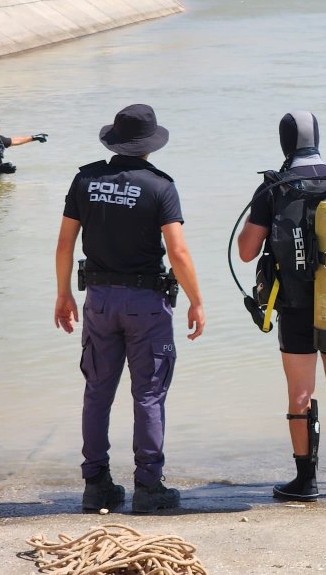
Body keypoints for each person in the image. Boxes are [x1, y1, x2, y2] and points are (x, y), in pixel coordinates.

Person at [54, 104, 205, 514]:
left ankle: (96, 484)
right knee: (149, 394)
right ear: (150, 145)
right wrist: (196, 300)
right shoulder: (160, 187)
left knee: (97, 391)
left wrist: (63, 294)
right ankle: (148, 486)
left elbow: (65, 243)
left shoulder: (85, 179)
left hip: (99, 300)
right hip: (146, 304)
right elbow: (178, 251)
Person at [237, 111, 326, 501]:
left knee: (300, 393)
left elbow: (245, 252)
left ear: (284, 143)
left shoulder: (274, 186)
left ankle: (305, 481)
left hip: (293, 305)